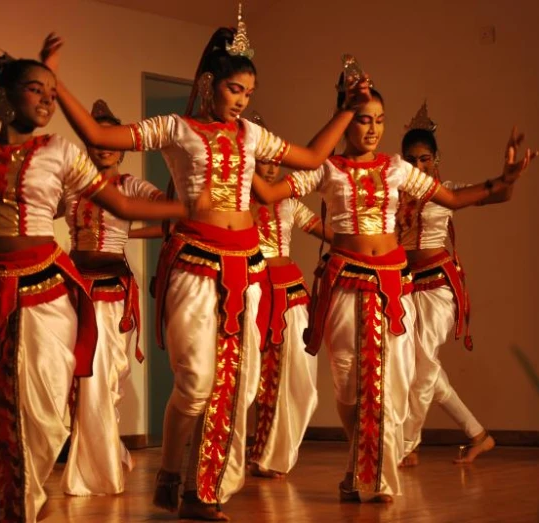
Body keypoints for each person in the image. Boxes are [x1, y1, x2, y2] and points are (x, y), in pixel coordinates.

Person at [38, 5, 373, 518]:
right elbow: (105, 138)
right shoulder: (177, 128)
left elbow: (308, 159)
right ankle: (171, 468)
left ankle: (203, 489)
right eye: (235, 89)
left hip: (249, 269)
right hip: (194, 265)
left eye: (249, 93)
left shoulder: (252, 137)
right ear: (209, 82)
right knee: (195, 383)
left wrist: (348, 110)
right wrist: (56, 86)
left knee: (238, 382)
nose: (241, 101)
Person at [0, 54, 187, 521]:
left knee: (51, 411)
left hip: (48, 292)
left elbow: (117, 201)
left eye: (53, 92)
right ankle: (15, 507)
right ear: (4, 97)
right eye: (37, 89)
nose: (48, 100)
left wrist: (188, 213)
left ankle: (50, 484)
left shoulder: (63, 154)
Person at [252, 76, 536, 501]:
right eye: (363, 119)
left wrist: (504, 179)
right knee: (348, 388)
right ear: (344, 120)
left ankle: (377, 478)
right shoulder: (327, 169)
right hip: (346, 284)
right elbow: (272, 190)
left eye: (379, 121)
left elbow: (454, 200)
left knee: (389, 384)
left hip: (391, 285)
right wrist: (236, 161)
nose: (372, 129)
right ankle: (357, 462)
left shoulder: (394, 168)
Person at [397, 102, 510, 466]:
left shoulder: (448, 191)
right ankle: (478, 435)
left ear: (436, 158)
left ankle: (405, 445)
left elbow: (500, 195)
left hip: (437, 286)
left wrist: (509, 174)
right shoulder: (393, 192)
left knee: (423, 367)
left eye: (424, 159)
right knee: (418, 366)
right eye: (411, 160)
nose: (418, 167)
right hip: (404, 285)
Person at [60, 99, 164, 496]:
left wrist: (134, 233)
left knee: (102, 375)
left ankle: (101, 466)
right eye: (95, 140)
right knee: (79, 376)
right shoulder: (71, 188)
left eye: (108, 141)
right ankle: (108, 453)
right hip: (72, 289)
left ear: (120, 148)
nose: (102, 148)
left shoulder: (131, 185)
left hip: (111, 290)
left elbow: (166, 213)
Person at [246, 113, 332, 479]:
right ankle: (252, 449)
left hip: (289, 292)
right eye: (261, 161)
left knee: (297, 374)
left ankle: (275, 451)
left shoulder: (289, 203)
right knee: (255, 374)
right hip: (250, 290)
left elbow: (326, 232)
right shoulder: (235, 203)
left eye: (274, 161)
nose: (269, 168)